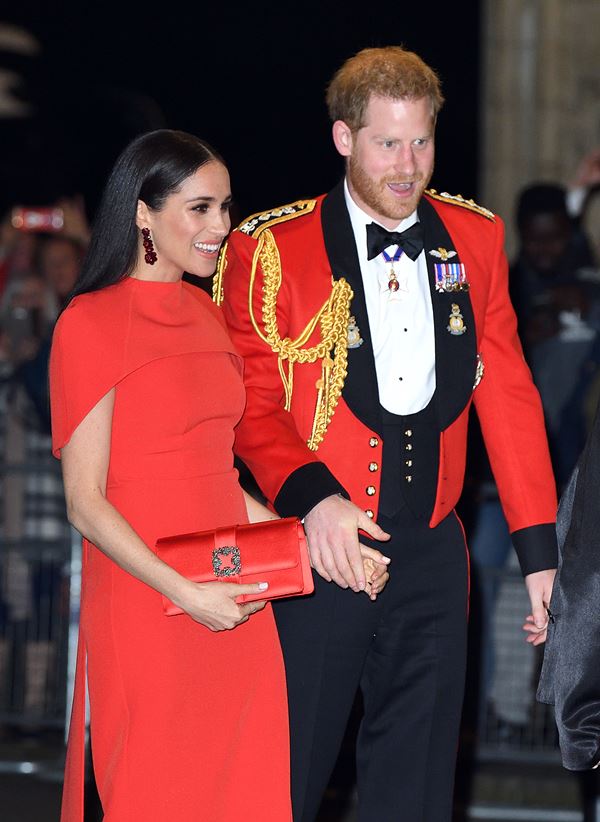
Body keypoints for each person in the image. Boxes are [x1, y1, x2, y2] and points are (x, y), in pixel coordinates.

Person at [216, 46, 559, 822]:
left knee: (418, 791)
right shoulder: (270, 248)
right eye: (387, 143)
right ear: (343, 138)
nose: (408, 167)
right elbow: (253, 404)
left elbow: (508, 395)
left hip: (436, 554)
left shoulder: (473, 238)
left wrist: (541, 553)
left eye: (421, 142)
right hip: (320, 552)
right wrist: (316, 501)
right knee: (287, 782)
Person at [49, 130, 298, 822]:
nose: (221, 226)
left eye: (225, 207)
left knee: (246, 787)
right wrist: (186, 594)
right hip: (148, 601)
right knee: (159, 793)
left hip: (233, 592)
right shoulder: (89, 323)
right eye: (199, 208)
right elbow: (84, 503)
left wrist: (308, 546)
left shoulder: (208, 314)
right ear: (142, 213)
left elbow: (217, 476)